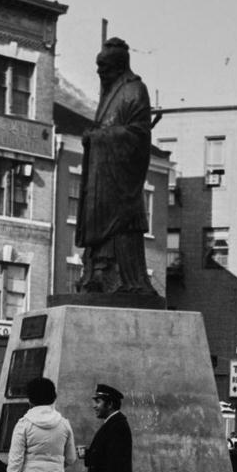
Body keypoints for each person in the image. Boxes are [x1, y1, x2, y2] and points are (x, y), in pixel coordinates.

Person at [74, 37, 158, 296]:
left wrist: (99, 138)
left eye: (105, 66)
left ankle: (120, 277)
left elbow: (139, 135)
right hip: (102, 178)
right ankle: (97, 273)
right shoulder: (110, 92)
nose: (100, 72)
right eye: (98, 66)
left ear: (119, 66)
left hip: (120, 180)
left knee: (119, 227)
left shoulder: (135, 90)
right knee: (100, 223)